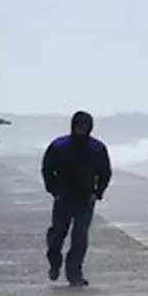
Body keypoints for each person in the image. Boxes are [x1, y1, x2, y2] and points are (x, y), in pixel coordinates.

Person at [41, 110, 112, 286]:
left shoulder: (97, 148)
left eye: (85, 126)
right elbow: (47, 169)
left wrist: (98, 193)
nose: (81, 129)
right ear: (73, 126)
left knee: (80, 238)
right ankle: (55, 262)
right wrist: (54, 190)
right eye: (79, 126)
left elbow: (105, 172)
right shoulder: (59, 146)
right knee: (57, 234)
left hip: (85, 199)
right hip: (63, 198)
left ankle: (74, 274)